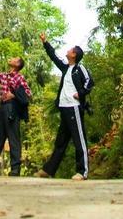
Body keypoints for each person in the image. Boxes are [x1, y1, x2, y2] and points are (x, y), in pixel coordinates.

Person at [36, 32, 94, 180]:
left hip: (74, 107)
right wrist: (45, 42)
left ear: (74, 54)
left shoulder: (79, 68)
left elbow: (89, 81)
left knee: (79, 139)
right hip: (64, 108)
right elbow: (54, 56)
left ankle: (82, 172)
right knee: (61, 141)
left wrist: (80, 94)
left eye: (70, 50)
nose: (67, 51)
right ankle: (49, 170)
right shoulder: (65, 67)